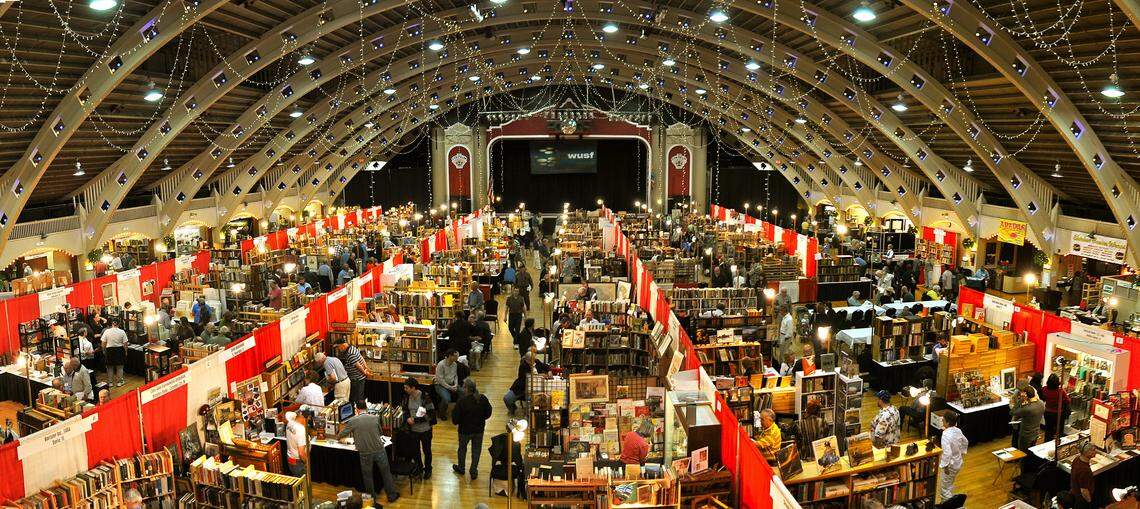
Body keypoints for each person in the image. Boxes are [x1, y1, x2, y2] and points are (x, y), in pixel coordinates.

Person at [339, 400, 400, 503]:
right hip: (379, 450)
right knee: (386, 473)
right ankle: (391, 495)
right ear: (366, 408)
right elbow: (380, 432)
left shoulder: (353, 421)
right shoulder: (375, 418)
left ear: (357, 409)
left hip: (364, 453)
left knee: (368, 476)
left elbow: (341, 435)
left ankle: (372, 500)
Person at [452, 378, 492, 480]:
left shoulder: (462, 401)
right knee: (476, 450)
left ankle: (461, 468)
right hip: (479, 430)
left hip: (465, 431)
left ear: (466, 388)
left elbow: (455, 419)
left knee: (462, 449)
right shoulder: (482, 398)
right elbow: (488, 413)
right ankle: (473, 470)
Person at [401, 378, 435, 477]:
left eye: (406, 387)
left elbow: (431, 414)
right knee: (415, 451)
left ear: (413, 388)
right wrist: (407, 418)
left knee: (427, 450)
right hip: (413, 430)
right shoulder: (406, 397)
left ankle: (428, 469)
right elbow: (404, 409)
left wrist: (415, 420)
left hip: (425, 430)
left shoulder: (424, 397)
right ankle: (419, 467)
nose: (405, 389)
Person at [504, 350, 549, 415]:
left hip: (537, 388)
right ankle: (513, 408)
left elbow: (545, 366)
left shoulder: (537, 362)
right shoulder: (523, 366)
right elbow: (528, 376)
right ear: (527, 360)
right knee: (507, 398)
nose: (534, 361)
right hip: (522, 388)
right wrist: (541, 375)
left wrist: (549, 370)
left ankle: (531, 414)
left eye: (534, 359)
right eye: (532, 360)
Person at [939, 411, 968, 503]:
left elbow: (947, 453)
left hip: (950, 465)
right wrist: (961, 453)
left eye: (943, 420)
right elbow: (965, 442)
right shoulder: (958, 430)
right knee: (950, 484)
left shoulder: (946, 434)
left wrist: (945, 465)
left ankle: (948, 504)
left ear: (947, 422)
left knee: (944, 489)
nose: (942, 421)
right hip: (958, 463)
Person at [334, 338, 370, 403]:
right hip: (360, 377)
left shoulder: (350, 354)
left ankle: (358, 410)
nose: (338, 349)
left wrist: (364, 372)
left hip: (356, 378)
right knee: (359, 395)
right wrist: (366, 368)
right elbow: (361, 358)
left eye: (338, 347)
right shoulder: (352, 347)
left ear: (342, 345)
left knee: (357, 397)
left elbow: (358, 365)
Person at [1011, 385, 1045, 452]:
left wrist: (1020, 401)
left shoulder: (1027, 408)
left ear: (1025, 395)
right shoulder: (1041, 403)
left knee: (1023, 453)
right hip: (1036, 432)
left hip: (1026, 435)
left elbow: (1013, 412)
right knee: (1031, 452)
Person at [1041, 374, 1071, 441]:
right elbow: (1068, 401)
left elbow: (1043, 398)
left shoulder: (1044, 389)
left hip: (1048, 412)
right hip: (1058, 413)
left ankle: (1047, 443)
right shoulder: (1061, 391)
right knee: (1059, 432)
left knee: (1048, 430)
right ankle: (1057, 446)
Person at [434, 349, 460, 421]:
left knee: (463, 392)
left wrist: (456, 384)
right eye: (455, 356)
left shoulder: (455, 364)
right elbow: (440, 380)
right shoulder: (441, 365)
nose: (457, 358)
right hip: (440, 385)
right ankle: (441, 413)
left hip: (451, 385)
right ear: (449, 356)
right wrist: (450, 388)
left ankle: (459, 411)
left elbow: (455, 376)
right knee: (446, 399)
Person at [102, 318, 128, 387]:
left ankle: (110, 383)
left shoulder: (106, 331)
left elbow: (103, 343)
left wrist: (104, 350)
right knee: (120, 367)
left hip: (109, 350)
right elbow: (125, 343)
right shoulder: (122, 332)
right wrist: (126, 351)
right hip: (119, 350)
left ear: (112, 323)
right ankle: (119, 382)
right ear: (119, 324)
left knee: (110, 367)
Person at [1070, 442, 1095, 509]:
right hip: (1081, 500)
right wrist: (1089, 502)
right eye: (1093, 450)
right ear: (1087, 452)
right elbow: (1084, 491)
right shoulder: (1084, 470)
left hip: (1074, 493)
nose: (1095, 451)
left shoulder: (1077, 459)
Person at [285, 411, 309, 476]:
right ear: (303, 418)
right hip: (299, 461)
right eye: (307, 419)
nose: (307, 422)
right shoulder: (301, 429)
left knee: (296, 480)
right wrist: (306, 462)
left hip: (290, 458)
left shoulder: (289, 423)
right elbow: (301, 453)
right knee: (302, 483)